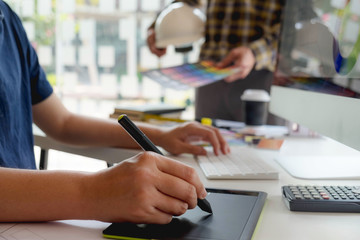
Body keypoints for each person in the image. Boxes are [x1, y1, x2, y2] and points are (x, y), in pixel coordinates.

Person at [0, 1, 229, 223]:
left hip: (28, 220)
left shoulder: (8, 21)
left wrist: (163, 136)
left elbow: (63, 123)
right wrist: (94, 193)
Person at [147, 0, 285, 124]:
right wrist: (159, 26)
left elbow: (291, 25)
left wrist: (254, 53)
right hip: (209, 76)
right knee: (202, 144)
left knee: (261, 148)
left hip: (261, 78)